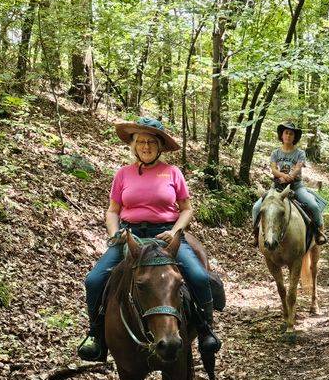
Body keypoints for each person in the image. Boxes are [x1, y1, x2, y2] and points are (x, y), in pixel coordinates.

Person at [77, 117, 221, 361]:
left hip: (165, 233)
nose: (145, 146)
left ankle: (206, 329)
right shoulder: (122, 174)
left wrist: (175, 231)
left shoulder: (173, 173)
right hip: (129, 235)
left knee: (198, 276)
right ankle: (96, 335)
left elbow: (186, 208)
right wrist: (115, 234)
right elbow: (112, 210)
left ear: (160, 146)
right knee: (94, 280)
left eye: (151, 142)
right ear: (133, 145)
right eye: (141, 141)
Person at [252, 121, 327, 247]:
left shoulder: (300, 153)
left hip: (296, 187)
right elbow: (274, 169)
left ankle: (318, 232)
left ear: (294, 137)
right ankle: (255, 234)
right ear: (281, 135)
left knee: (313, 205)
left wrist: (290, 177)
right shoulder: (275, 153)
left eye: (291, 134)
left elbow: (297, 168)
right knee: (256, 208)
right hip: (276, 188)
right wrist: (283, 176)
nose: (288, 136)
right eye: (286, 133)